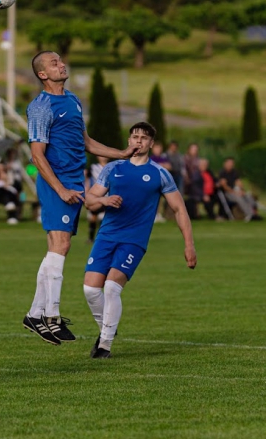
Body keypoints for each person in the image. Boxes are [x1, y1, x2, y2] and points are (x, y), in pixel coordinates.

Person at [22, 50, 136, 346]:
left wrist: (120, 153)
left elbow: (86, 142)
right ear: (42, 75)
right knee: (61, 244)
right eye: (54, 63)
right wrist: (59, 188)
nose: (62, 64)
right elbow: (36, 155)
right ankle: (51, 317)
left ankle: (36, 314)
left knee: (56, 248)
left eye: (61, 60)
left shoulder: (72, 100)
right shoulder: (40, 106)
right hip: (57, 182)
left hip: (74, 182)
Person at [82, 122, 197, 358]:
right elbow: (90, 200)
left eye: (144, 138)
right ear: (128, 140)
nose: (139, 141)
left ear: (151, 144)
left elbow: (179, 209)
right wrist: (104, 201)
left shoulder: (160, 174)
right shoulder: (113, 168)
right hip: (106, 236)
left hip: (134, 240)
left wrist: (189, 244)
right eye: (135, 137)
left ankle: (104, 345)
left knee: (112, 287)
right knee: (90, 290)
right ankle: (108, 328)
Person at [86, 156, 110, 243]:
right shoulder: (93, 167)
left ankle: (102, 237)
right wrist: (87, 192)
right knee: (93, 217)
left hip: (107, 196)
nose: (103, 158)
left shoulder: (111, 167)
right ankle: (91, 238)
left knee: (104, 218)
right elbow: (88, 180)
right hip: (96, 196)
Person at [183, 143, 202, 219]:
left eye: (196, 150)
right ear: (189, 150)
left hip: (196, 181)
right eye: (193, 149)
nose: (195, 151)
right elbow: (183, 170)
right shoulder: (185, 159)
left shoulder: (198, 160)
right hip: (187, 181)